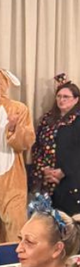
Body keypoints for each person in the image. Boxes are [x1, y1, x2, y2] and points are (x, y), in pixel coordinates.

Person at [30, 75, 80, 216]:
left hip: (72, 180)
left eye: (66, 97)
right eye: (59, 96)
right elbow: (38, 146)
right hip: (47, 180)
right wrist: (44, 169)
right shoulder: (48, 119)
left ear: (76, 99)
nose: (61, 100)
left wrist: (63, 171)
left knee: (70, 221)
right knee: (47, 222)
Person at [0, 67, 35, 243]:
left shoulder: (18, 109)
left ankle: (14, 259)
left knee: (14, 227)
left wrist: (14, 128)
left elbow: (26, 142)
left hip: (12, 180)